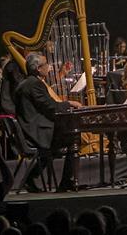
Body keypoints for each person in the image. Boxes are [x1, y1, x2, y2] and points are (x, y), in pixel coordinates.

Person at [14, 53, 81, 192]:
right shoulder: (35, 84)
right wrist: (69, 103)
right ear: (38, 68)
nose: (49, 67)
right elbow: (50, 106)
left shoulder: (27, 83)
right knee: (73, 139)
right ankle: (66, 182)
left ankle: (31, 178)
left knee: (61, 141)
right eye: (46, 64)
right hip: (36, 132)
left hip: (31, 129)